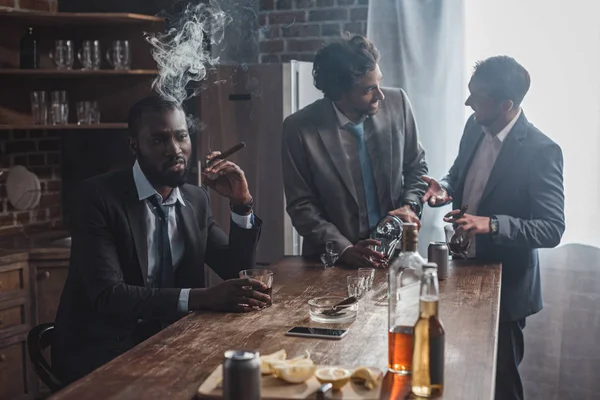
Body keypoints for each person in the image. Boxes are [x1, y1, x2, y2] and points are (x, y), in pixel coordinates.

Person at [52, 96, 268, 384]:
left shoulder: (196, 198)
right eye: (159, 140)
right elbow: (108, 295)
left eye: (181, 137)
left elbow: (236, 270)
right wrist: (201, 297)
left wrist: (242, 205)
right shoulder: (97, 198)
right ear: (134, 145)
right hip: (102, 350)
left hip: (172, 342)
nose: (175, 150)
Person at [422, 56, 565, 400]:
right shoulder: (474, 125)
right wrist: (444, 188)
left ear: (507, 104)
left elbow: (551, 228)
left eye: (477, 97)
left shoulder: (542, 150)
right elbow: (458, 173)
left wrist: (492, 224)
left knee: (500, 385)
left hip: (506, 290)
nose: (468, 103)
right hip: (459, 274)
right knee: (458, 376)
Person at [282, 35, 428, 268]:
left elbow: (416, 167)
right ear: (339, 92)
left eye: (379, 82)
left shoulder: (398, 102)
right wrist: (344, 249)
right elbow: (302, 205)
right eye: (369, 89)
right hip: (331, 263)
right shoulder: (299, 128)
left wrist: (410, 206)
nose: (380, 95)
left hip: (397, 257)